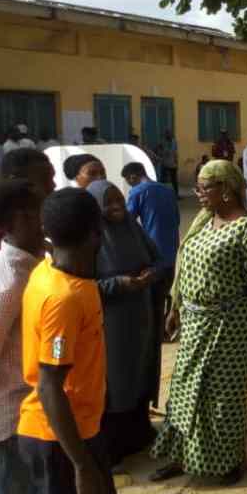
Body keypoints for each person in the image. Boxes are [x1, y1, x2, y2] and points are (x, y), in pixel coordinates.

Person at [151, 160, 247, 485]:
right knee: (183, 391)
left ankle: (229, 463)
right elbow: (185, 264)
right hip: (193, 324)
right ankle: (182, 455)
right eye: (199, 187)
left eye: (205, 187)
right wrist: (175, 305)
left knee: (222, 397)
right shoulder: (204, 222)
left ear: (227, 191)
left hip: (228, 328)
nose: (199, 193)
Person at [18, 188, 121, 494]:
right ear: (96, 232)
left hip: (81, 431)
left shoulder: (65, 273)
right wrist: (81, 465)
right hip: (58, 442)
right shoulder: (62, 299)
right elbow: (50, 385)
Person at [0, 180, 48, 494]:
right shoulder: (8, 281)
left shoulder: (33, 264)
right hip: (4, 418)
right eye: (37, 212)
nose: (44, 219)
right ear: (17, 221)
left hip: (25, 410)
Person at [86, 180, 162, 465]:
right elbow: (84, 285)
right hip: (112, 322)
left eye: (119, 200)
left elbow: (157, 258)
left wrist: (150, 275)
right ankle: (115, 444)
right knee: (116, 379)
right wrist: (119, 284)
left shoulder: (133, 227)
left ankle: (139, 434)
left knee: (139, 371)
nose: (117, 207)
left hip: (140, 316)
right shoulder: (91, 239)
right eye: (109, 203)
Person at [122, 162, 181, 344]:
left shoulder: (137, 192)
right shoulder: (168, 190)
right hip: (171, 248)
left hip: (152, 251)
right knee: (164, 291)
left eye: (129, 181)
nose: (130, 185)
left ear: (133, 177)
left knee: (151, 295)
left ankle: (156, 332)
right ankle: (165, 327)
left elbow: (127, 221)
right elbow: (177, 218)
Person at [0, 148, 56, 270]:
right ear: (15, 180)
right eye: (44, 180)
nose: (53, 185)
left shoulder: (34, 225)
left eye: (52, 178)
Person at [159, 130, 179, 197]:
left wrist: (176, 162)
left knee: (174, 180)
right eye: (167, 134)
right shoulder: (163, 142)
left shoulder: (174, 142)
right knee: (163, 180)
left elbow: (175, 152)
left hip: (172, 163)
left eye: (170, 134)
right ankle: (161, 193)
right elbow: (159, 150)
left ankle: (176, 194)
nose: (168, 135)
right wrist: (163, 153)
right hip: (165, 163)